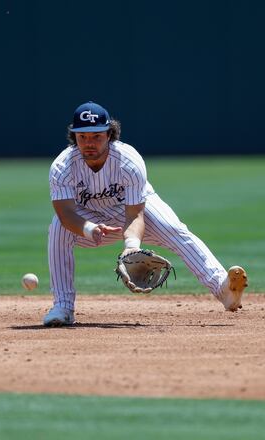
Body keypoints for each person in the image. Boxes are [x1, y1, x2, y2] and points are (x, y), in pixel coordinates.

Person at [44, 101, 248, 326]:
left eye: (96, 136)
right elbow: (65, 213)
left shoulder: (128, 160)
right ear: (74, 137)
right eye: (82, 137)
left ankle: (224, 289)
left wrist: (132, 247)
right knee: (57, 228)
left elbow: (135, 214)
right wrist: (90, 229)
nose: (89, 143)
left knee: (173, 228)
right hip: (87, 219)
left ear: (110, 134)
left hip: (131, 211)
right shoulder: (62, 166)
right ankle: (63, 306)